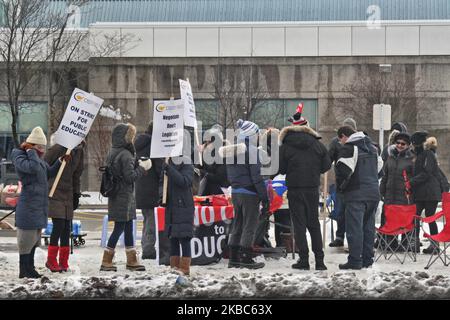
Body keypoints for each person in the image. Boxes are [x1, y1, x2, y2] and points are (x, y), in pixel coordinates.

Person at [279, 106, 331, 270]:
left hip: (295, 189)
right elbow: (326, 165)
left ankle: (304, 260)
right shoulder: (318, 145)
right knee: (314, 224)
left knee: (299, 225)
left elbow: (281, 169)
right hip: (312, 188)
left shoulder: (285, 145)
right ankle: (320, 261)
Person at [11, 126, 63, 278]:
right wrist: (30, 151)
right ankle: (24, 270)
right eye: (39, 147)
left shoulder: (38, 159)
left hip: (38, 206)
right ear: (31, 145)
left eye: (43, 148)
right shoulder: (20, 156)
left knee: (34, 240)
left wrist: (60, 162)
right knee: (26, 241)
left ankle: (30, 268)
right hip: (28, 206)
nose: (42, 151)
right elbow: (32, 168)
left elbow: (47, 172)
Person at [100, 123, 152, 272]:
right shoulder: (126, 154)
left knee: (128, 227)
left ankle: (132, 260)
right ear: (125, 137)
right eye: (130, 136)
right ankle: (106, 260)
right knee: (120, 228)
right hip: (124, 197)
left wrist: (136, 163)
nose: (132, 139)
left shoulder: (113, 151)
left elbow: (121, 172)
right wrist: (143, 168)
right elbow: (130, 177)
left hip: (118, 196)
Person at [219, 119, 268, 269]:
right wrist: (264, 197)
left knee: (237, 224)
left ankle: (233, 258)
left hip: (236, 192)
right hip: (250, 193)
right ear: (252, 135)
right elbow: (257, 177)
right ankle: (246, 258)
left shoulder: (232, 150)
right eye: (257, 133)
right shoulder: (252, 150)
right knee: (249, 225)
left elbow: (229, 175)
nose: (259, 136)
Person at [335, 126, 380, 270]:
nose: (340, 143)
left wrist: (342, 187)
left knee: (354, 229)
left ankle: (355, 260)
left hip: (356, 194)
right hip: (373, 194)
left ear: (344, 136)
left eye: (340, 139)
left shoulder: (350, 148)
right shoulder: (372, 148)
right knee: (368, 229)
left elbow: (344, 171)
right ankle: (367, 259)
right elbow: (380, 169)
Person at [44, 136, 85, 272]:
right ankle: (51, 260)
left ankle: (63, 261)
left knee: (67, 227)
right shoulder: (57, 148)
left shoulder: (79, 151)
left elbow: (77, 175)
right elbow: (43, 167)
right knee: (59, 224)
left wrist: (76, 194)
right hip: (54, 190)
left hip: (68, 192)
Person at [379, 132, 414, 250]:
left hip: (404, 195)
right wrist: (382, 190)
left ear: (408, 145)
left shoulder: (411, 159)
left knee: (404, 219)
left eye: (403, 144)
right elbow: (385, 175)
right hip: (389, 194)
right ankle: (389, 243)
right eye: (397, 143)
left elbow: (414, 178)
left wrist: (409, 189)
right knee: (388, 218)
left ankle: (405, 244)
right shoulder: (390, 157)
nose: (399, 145)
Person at [409, 132, 443, 254]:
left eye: (413, 143)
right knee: (416, 217)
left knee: (430, 217)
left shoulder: (428, 154)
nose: (412, 146)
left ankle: (434, 245)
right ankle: (415, 243)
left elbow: (426, 173)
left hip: (430, 193)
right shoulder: (418, 155)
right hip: (420, 192)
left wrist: (411, 182)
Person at [135, 122, 163, 260]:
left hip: (140, 187)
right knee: (151, 220)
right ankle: (148, 249)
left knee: (147, 219)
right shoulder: (154, 147)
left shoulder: (138, 144)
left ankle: (145, 244)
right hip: (151, 188)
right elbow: (159, 169)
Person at [328, 118, 357, 248]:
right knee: (340, 210)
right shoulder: (336, 142)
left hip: (355, 182)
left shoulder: (358, 142)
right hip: (341, 181)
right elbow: (330, 158)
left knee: (353, 212)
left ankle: (354, 238)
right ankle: (339, 236)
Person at [163, 155, 195, 276]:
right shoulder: (168, 162)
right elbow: (163, 182)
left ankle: (185, 268)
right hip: (171, 206)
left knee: (184, 238)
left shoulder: (186, 162)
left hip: (183, 205)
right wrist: (162, 196)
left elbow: (185, 181)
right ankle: (174, 267)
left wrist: (169, 169)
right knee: (173, 238)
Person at [197, 124, 229, 196]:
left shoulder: (222, 154)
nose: (205, 144)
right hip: (207, 191)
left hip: (219, 192)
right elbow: (199, 168)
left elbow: (219, 178)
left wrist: (203, 172)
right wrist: (200, 155)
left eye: (208, 142)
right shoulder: (206, 153)